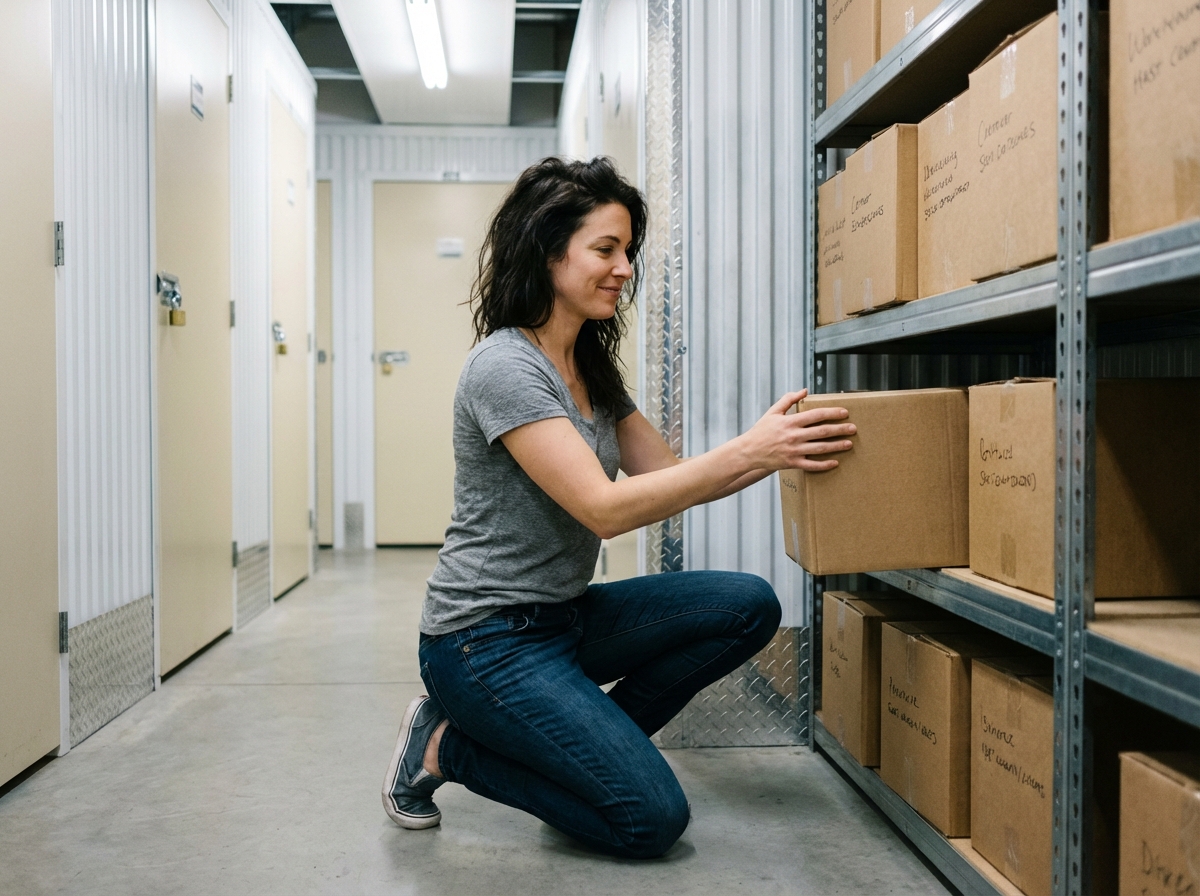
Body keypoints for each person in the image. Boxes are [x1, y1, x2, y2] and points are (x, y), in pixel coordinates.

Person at [381, 156, 854, 859]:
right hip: (481, 641)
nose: (625, 267)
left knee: (748, 604)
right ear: (548, 253)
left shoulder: (591, 369)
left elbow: (666, 477)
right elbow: (604, 509)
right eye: (606, 249)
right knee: (649, 820)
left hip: (564, 617)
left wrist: (773, 447)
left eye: (627, 250)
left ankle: (574, 765)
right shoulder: (505, 369)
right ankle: (444, 748)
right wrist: (754, 450)